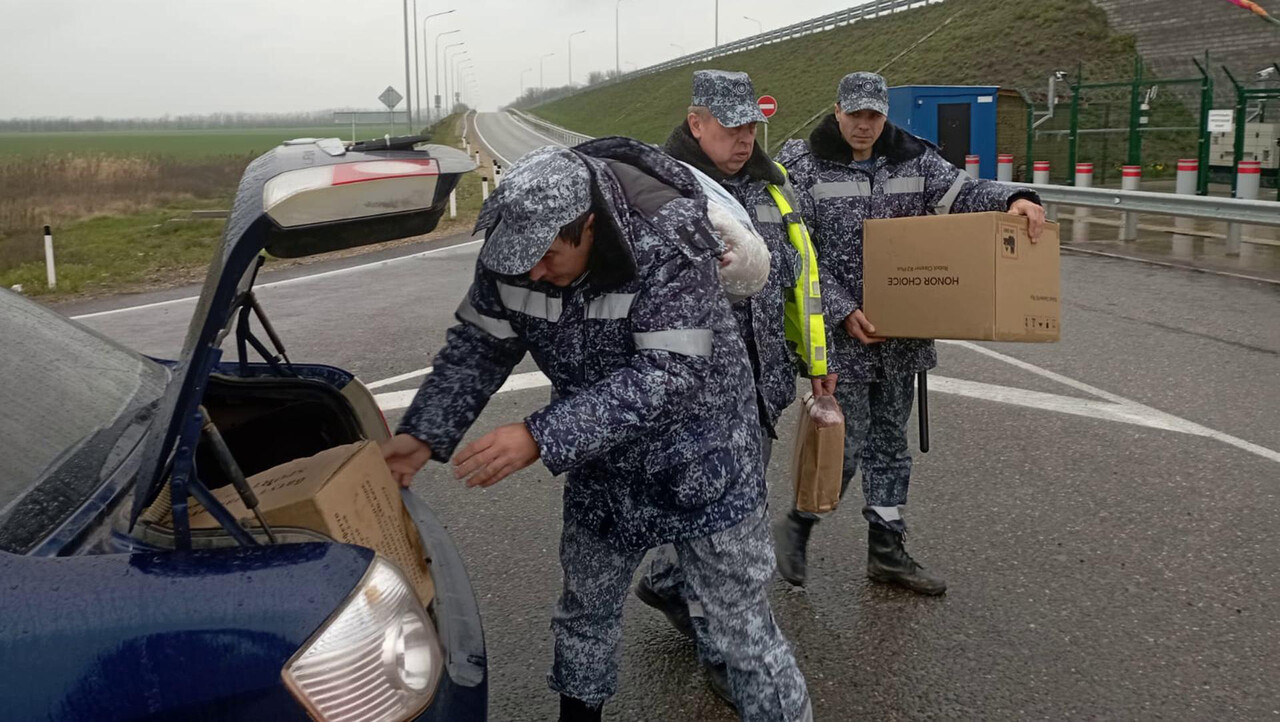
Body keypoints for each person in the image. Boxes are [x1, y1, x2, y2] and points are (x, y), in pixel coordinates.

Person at [380, 141, 812, 722]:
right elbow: (479, 345)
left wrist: (540, 435)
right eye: (519, 261)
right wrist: (425, 432)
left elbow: (671, 372)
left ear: (588, 225)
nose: (532, 273)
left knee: (740, 632)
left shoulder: (667, 245)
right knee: (585, 614)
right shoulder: (515, 254)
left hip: (703, 461)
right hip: (602, 466)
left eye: (547, 257)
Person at [774, 71, 1046, 594]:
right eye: (854, 115)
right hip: (841, 339)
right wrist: (841, 308)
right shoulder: (802, 167)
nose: (863, 125)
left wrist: (1017, 197)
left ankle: (887, 548)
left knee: (890, 448)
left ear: (884, 115)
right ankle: (800, 524)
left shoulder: (915, 159)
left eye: (873, 115)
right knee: (842, 447)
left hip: (902, 339)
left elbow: (966, 193)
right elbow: (794, 248)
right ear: (837, 111)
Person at [633, 69, 832, 702]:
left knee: (722, 514)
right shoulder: (659, 188)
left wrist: (816, 358)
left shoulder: (774, 189)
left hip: (764, 381)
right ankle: (726, 651)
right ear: (697, 123)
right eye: (730, 127)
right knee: (726, 526)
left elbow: (800, 279)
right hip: (694, 391)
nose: (744, 139)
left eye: (751, 126)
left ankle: (668, 581)